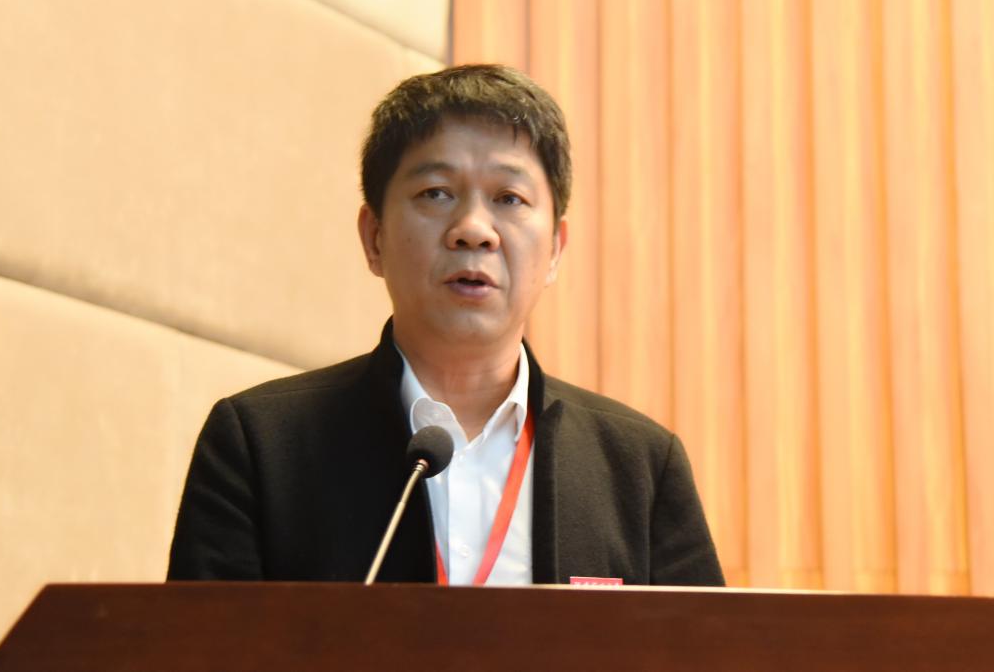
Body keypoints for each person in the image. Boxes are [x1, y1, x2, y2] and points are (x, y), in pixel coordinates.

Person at [168, 64, 724, 586]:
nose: (473, 229)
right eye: (436, 193)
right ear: (374, 238)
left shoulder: (641, 468)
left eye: (509, 197)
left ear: (555, 248)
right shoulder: (260, 447)